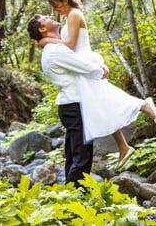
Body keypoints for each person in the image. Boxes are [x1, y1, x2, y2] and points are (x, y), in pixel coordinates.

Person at [36, 0, 156, 169]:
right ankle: (123, 146)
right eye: (53, 7)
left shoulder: (75, 14)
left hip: (84, 63)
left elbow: (69, 44)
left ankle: (143, 105)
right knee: (102, 105)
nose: (56, 10)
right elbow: (66, 46)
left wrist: (45, 40)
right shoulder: (69, 16)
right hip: (80, 64)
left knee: (105, 99)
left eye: (58, 5)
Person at [27, 15, 107, 185]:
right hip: (74, 105)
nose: (51, 16)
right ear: (42, 29)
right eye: (46, 18)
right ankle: (75, 197)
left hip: (70, 105)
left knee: (74, 154)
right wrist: (101, 69)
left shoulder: (54, 47)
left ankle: (70, 193)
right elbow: (84, 66)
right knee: (82, 155)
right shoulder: (55, 50)